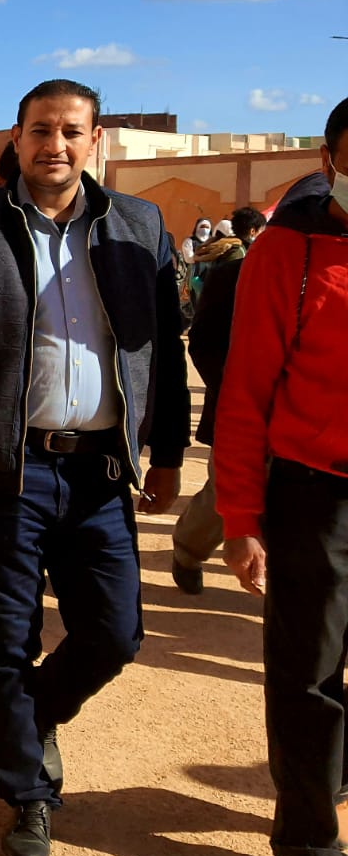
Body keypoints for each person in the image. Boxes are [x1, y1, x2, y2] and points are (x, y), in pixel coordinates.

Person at [0, 79, 189, 856]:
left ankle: (33, 717)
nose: (55, 145)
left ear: (96, 141)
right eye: (40, 130)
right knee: (6, 638)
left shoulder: (139, 226)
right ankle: (27, 792)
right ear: (17, 139)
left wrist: (166, 453)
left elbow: (162, 347)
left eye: (70, 131)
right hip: (5, 471)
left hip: (99, 473)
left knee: (115, 634)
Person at [216, 97, 348, 856]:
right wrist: (239, 516)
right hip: (315, 493)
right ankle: (309, 836)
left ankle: (333, 785)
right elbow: (246, 391)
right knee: (311, 673)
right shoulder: (287, 252)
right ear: (331, 161)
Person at [172, 206, 265, 594]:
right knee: (222, 493)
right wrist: (234, 392)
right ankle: (188, 551)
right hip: (239, 411)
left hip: (311, 421)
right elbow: (204, 342)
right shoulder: (234, 274)